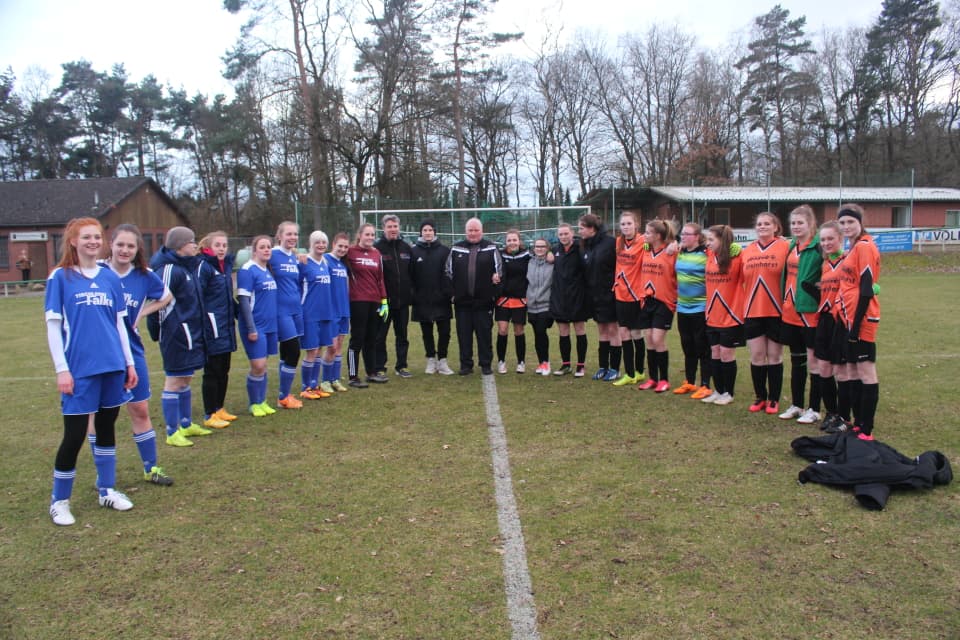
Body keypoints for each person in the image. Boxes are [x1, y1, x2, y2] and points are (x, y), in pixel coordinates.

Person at [46, 217, 138, 525]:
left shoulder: (110, 277)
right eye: (86, 237)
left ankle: (107, 489)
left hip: (112, 366)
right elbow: (54, 326)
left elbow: (119, 325)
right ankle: (59, 501)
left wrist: (129, 363)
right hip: (79, 370)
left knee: (108, 428)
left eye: (97, 236)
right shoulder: (60, 278)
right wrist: (62, 369)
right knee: (74, 436)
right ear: (73, 241)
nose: (93, 242)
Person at [88, 223, 174, 487]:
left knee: (139, 408)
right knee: (98, 413)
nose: (125, 250)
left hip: (132, 351)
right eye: (120, 244)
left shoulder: (144, 275)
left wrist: (142, 313)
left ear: (137, 250)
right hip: (99, 352)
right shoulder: (96, 271)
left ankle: (151, 468)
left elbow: (166, 296)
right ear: (110, 245)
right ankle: (102, 474)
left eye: (131, 246)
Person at [150, 226, 211, 446]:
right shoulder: (169, 269)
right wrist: (158, 332)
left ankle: (186, 424)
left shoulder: (188, 268)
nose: (195, 245)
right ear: (179, 245)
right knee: (174, 380)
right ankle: (171, 431)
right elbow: (158, 303)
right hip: (176, 333)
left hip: (192, 332)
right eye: (191, 241)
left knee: (186, 378)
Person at [836, 204, 881, 441]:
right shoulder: (852, 247)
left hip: (861, 320)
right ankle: (857, 422)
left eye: (850, 222)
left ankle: (867, 428)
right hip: (848, 318)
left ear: (860, 223)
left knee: (866, 372)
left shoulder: (864, 247)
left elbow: (865, 289)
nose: (846, 227)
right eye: (842, 223)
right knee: (852, 370)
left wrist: (855, 327)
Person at [740, 212, 790, 415]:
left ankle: (774, 399)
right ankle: (760, 396)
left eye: (767, 223)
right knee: (757, 356)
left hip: (776, 310)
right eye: (759, 224)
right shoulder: (748, 250)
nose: (762, 227)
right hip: (752, 309)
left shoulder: (785, 247)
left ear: (776, 227)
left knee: (774, 356)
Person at [778, 206, 824, 424]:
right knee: (796, 360)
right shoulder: (791, 246)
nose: (796, 227)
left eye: (800, 223)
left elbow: (833, 269)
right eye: (793, 223)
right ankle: (797, 404)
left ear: (810, 224)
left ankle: (815, 408)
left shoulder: (818, 247)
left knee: (814, 362)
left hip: (809, 312)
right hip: (789, 311)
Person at [445, 217, 503, 375]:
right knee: (464, 336)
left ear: (482, 231)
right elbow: (447, 273)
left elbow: (500, 273)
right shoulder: (456, 248)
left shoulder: (491, 248)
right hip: (462, 303)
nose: (473, 233)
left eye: (476, 230)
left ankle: (485, 364)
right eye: (470, 230)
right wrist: (453, 296)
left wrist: (493, 295)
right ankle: (466, 365)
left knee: (484, 335)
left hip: (484, 303)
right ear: (465, 232)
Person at [197, 231, 239, 428]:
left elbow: (226, 298)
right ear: (208, 247)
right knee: (212, 371)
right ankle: (209, 413)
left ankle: (220, 408)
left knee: (224, 368)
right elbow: (198, 297)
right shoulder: (204, 267)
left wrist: (238, 312)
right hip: (212, 326)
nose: (222, 248)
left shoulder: (225, 267)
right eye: (218, 245)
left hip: (226, 325)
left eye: (224, 245)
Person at [701, 225, 745, 405]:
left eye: (712, 240)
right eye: (708, 239)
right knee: (715, 352)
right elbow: (690, 246)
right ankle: (718, 390)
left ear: (723, 240)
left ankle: (729, 393)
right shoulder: (710, 256)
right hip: (712, 314)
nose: (708, 243)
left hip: (731, 314)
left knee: (727, 354)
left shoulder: (737, 257)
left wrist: (741, 252)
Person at [237, 235, 279, 416]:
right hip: (255, 326)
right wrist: (251, 328)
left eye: (269, 246)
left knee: (264, 364)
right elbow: (244, 301)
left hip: (270, 325)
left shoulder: (267, 269)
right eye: (262, 247)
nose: (267, 250)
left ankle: (262, 401)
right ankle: (254, 403)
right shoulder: (248, 270)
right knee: (258, 365)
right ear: (254, 251)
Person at [809, 221, 846, 432]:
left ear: (840, 238)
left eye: (830, 238)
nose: (826, 243)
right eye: (823, 239)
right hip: (823, 318)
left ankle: (843, 416)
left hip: (840, 320)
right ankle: (831, 413)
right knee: (823, 367)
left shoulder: (849, 260)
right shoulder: (825, 264)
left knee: (840, 370)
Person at [635, 219, 678, 393]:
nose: (645, 235)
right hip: (647, 300)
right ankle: (653, 378)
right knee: (649, 339)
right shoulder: (645, 250)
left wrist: (676, 243)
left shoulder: (672, 252)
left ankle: (664, 379)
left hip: (664, 301)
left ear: (658, 235)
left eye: (648, 232)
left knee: (658, 339)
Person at [410, 220, 455, 375]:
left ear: (435, 232)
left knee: (445, 332)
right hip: (422, 300)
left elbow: (450, 274)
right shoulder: (414, 251)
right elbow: (411, 275)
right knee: (426, 333)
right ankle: (430, 360)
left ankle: (442, 361)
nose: (428, 232)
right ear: (420, 232)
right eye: (425, 230)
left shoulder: (444, 251)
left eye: (430, 230)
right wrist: (414, 295)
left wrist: (447, 293)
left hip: (442, 299)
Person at [347, 223, 389, 387]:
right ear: (360, 235)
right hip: (358, 301)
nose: (370, 238)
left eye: (372, 235)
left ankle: (371, 373)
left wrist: (384, 300)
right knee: (357, 338)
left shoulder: (376, 253)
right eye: (367, 234)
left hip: (375, 301)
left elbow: (380, 279)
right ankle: (352, 376)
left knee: (371, 338)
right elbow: (333, 257)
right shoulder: (350, 252)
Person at [580, 213, 620, 382]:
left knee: (613, 330)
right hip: (594, 296)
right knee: (602, 331)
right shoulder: (586, 245)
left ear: (592, 228)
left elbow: (641, 249)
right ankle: (603, 366)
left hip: (610, 295)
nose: (579, 231)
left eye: (582, 228)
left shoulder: (611, 243)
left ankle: (615, 368)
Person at [673, 222, 712, 399]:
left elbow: (728, 250)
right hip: (682, 307)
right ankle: (689, 381)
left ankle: (705, 384)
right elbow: (647, 244)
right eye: (682, 234)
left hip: (700, 307)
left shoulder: (706, 253)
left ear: (697, 236)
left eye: (687, 234)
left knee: (702, 346)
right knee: (687, 345)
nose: (683, 237)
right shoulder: (679, 252)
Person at [374, 214, 414, 378]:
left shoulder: (406, 247)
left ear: (399, 227)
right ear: (384, 228)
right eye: (389, 226)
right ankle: (379, 367)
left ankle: (402, 366)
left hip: (402, 302)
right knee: (380, 335)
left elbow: (412, 273)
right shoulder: (377, 248)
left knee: (402, 335)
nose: (393, 229)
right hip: (383, 302)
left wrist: (411, 293)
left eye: (395, 226)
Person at [270, 221, 305, 409]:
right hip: (281, 310)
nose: (292, 237)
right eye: (289, 234)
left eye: (295, 234)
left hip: (296, 309)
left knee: (286, 352)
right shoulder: (273, 255)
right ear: (280, 235)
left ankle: (284, 395)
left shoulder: (294, 257)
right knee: (293, 349)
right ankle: (284, 396)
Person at [611, 210, 647, 386]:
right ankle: (630, 373)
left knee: (636, 334)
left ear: (636, 225)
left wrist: (672, 245)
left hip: (635, 294)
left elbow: (664, 244)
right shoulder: (618, 242)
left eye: (629, 224)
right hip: (620, 293)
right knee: (623, 332)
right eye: (623, 224)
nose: (626, 227)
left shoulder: (643, 242)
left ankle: (640, 371)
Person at [298, 230, 334, 399]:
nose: (321, 245)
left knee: (319, 349)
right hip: (310, 313)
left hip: (325, 313)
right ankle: (306, 388)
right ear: (310, 244)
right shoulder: (304, 262)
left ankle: (314, 385)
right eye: (317, 242)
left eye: (323, 242)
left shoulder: (325, 262)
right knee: (311, 351)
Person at [549, 223, 588, 376]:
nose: (564, 237)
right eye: (561, 234)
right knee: (563, 331)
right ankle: (566, 365)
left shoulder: (580, 248)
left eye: (566, 233)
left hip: (577, 296)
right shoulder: (555, 250)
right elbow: (541, 251)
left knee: (579, 330)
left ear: (572, 234)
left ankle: (580, 365)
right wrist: (548, 254)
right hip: (560, 296)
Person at [318, 233, 352, 393]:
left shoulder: (343, 264)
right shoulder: (325, 260)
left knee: (339, 346)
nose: (343, 249)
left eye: (346, 247)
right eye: (340, 246)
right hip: (331, 311)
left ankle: (335, 379)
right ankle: (324, 380)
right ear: (333, 244)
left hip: (344, 310)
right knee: (331, 347)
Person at [496, 229, 530, 374]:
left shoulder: (527, 255)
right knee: (502, 330)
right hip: (503, 299)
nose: (512, 243)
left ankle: (521, 362)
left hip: (520, 300)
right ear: (506, 242)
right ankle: (501, 361)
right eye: (509, 240)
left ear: (519, 241)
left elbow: (544, 252)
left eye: (514, 240)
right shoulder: (499, 255)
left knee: (518, 331)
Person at [526, 237, 554, 375]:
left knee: (542, 331)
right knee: (537, 333)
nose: (540, 249)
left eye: (543, 246)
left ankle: (546, 362)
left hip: (546, 304)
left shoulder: (552, 262)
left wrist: (552, 253)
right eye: (537, 246)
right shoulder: (529, 261)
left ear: (548, 248)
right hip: (531, 304)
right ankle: (541, 362)